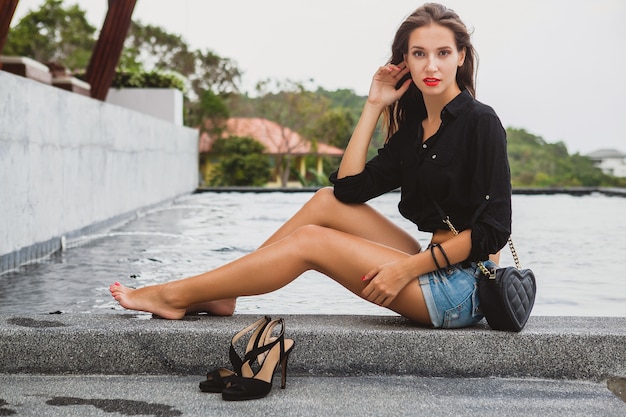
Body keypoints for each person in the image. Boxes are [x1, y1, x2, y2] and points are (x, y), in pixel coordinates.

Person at [110, 2, 511, 329]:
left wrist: (405, 270)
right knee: (324, 202)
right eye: (419, 54)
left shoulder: (481, 122)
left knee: (311, 243)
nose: (431, 66)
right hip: (430, 261)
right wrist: (373, 106)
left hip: (464, 288)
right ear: (404, 60)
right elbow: (348, 191)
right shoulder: (415, 130)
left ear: (461, 56)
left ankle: (176, 294)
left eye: (443, 53)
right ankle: (223, 291)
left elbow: (493, 231)